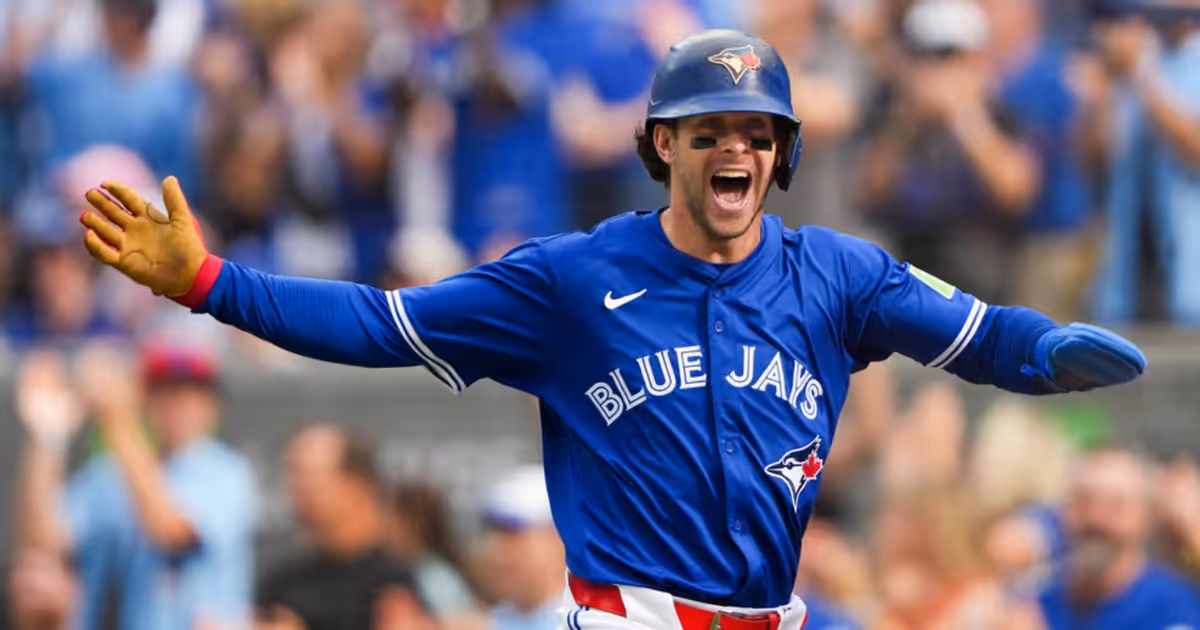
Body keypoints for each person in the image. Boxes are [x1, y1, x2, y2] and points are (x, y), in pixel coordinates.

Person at [77, 28, 1147, 630]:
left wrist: (1044, 354)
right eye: (708, 132)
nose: (737, 150)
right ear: (661, 150)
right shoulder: (573, 280)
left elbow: (979, 333)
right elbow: (380, 323)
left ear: (782, 154)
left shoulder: (838, 274)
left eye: (757, 133)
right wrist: (209, 282)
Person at [12, 343, 257, 630]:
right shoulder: (109, 473)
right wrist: (47, 437)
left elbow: (170, 530)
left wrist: (117, 417)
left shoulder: (226, 472)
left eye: (191, 394)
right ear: (146, 400)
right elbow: (44, 540)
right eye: (164, 391)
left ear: (212, 406)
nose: (177, 406)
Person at [256, 424, 431, 630]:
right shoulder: (281, 583)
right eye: (292, 478)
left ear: (359, 484)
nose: (297, 492)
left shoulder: (417, 578)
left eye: (311, 480)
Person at [1037, 449, 1200, 629]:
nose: (1095, 519)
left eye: (1116, 505)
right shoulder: (1035, 603)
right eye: (1083, 501)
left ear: (1147, 516)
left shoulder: (1172, 607)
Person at [478, 465, 566, 630]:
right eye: (494, 536)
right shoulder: (481, 623)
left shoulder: (593, 622)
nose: (498, 554)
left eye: (512, 537)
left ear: (557, 538)